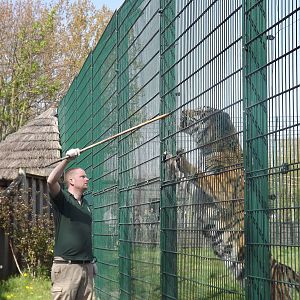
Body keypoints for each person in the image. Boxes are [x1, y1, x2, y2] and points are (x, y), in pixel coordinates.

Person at [47, 148, 97, 300]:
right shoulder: (63, 199)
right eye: (83, 176)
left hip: (86, 267)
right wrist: (67, 160)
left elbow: (84, 236)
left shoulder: (86, 205)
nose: (87, 179)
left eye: (86, 176)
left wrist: (92, 260)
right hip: (66, 267)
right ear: (71, 181)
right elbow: (51, 181)